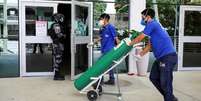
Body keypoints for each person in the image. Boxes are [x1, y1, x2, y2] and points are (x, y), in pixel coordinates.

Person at [126, 8, 178, 101]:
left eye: (143, 17)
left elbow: (139, 38)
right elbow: (150, 46)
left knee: (165, 82)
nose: (142, 20)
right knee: (153, 77)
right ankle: (170, 98)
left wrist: (128, 44)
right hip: (161, 58)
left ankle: (169, 98)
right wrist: (140, 55)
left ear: (148, 17)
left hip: (167, 57)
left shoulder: (152, 24)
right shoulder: (153, 27)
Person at [96, 13, 120, 85]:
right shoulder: (103, 28)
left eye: (101, 19)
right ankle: (111, 79)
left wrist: (120, 48)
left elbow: (116, 38)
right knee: (109, 65)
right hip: (104, 49)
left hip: (109, 50)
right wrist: (93, 42)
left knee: (100, 63)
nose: (100, 20)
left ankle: (100, 80)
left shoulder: (111, 27)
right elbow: (101, 37)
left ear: (105, 19)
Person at [48, 13, 66, 80]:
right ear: (58, 18)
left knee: (58, 59)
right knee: (58, 59)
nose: (62, 19)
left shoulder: (55, 25)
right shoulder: (56, 25)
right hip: (57, 44)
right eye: (61, 18)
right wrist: (64, 35)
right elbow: (58, 35)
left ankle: (57, 74)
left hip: (57, 44)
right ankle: (56, 75)